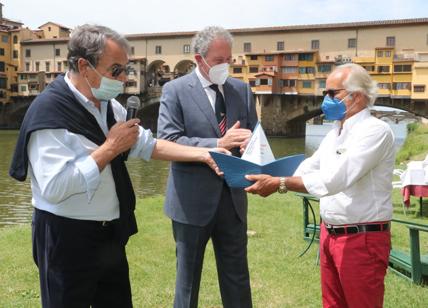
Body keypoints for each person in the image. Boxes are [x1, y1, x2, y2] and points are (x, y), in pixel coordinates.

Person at [9, 24, 227, 308]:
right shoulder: (49, 112)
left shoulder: (109, 105)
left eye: (126, 70)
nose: (123, 79)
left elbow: (147, 144)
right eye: (116, 70)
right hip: (66, 238)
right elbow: (53, 187)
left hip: (108, 235)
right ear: (85, 66)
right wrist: (110, 148)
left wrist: (205, 152)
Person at [245, 63, 395, 308]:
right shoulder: (336, 131)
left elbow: (334, 179)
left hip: (362, 239)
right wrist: (259, 168)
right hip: (331, 234)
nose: (325, 99)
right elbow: (309, 167)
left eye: (331, 93)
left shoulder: (375, 132)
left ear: (355, 96)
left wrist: (280, 183)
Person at [157, 26, 258, 308]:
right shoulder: (174, 91)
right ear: (199, 59)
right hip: (191, 203)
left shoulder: (242, 90)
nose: (225, 66)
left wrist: (252, 141)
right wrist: (217, 142)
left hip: (233, 200)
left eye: (229, 59)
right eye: (218, 61)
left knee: (237, 278)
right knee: (187, 283)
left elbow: (255, 136)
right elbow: (169, 140)